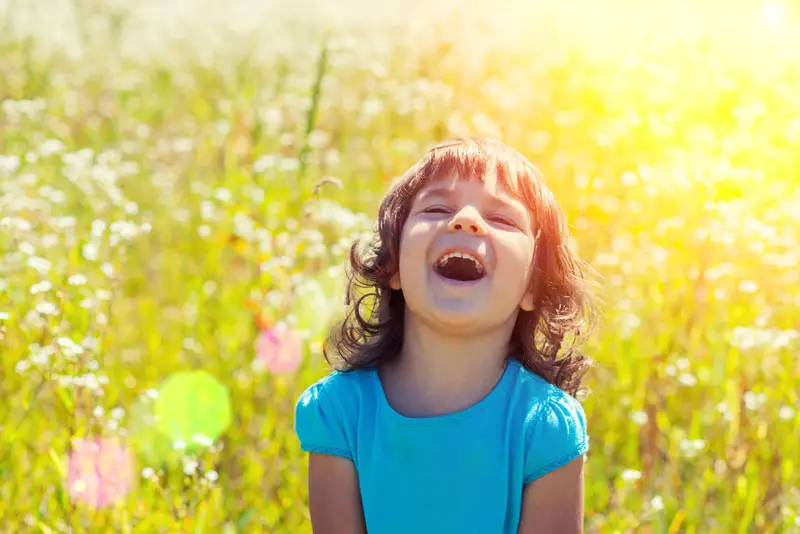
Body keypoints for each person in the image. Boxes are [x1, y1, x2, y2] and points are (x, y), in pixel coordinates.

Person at [294, 136, 600, 533]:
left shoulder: (545, 428)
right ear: (394, 267)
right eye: (436, 208)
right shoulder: (339, 411)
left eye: (503, 219)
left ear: (533, 287)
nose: (466, 219)